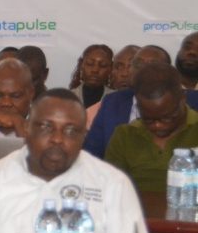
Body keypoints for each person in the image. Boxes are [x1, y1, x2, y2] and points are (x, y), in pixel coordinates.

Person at [0, 88, 154, 233]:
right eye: (46, 127)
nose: (57, 138)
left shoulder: (113, 184)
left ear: (84, 136)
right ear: (27, 128)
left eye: (71, 131)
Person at [82, 45, 198, 158]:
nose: (144, 70)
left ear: (167, 71)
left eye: (152, 65)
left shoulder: (192, 99)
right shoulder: (113, 102)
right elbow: (91, 153)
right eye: (138, 64)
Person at [105, 62, 198, 193]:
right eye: (148, 119)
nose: (157, 125)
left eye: (167, 118)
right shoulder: (125, 135)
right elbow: (111, 191)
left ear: (182, 98)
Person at [86, 45, 139, 127]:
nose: (124, 74)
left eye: (131, 67)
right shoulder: (94, 113)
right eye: (118, 67)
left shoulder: (157, 109)